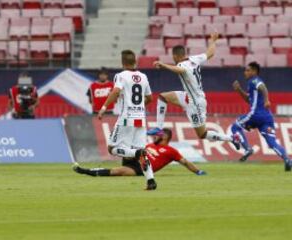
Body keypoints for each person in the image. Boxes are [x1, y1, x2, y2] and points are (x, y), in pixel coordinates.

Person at [147, 32, 241, 150]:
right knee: (162, 97)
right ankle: (159, 129)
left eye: (173, 57)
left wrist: (163, 65)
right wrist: (213, 41)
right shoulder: (194, 59)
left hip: (196, 102)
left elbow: (179, 70)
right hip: (188, 96)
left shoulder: (182, 64)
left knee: (202, 134)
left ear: (175, 56)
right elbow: (210, 53)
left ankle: (233, 138)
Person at [97, 50, 156, 190]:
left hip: (126, 118)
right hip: (140, 118)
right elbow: (150, 98)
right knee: (141, 150)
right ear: (135, 61)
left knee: (112, 149)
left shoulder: (121, 76)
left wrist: (104, 108)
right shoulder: (143, 76)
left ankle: (136, 153)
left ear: (122, 63)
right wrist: (139, 106)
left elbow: (116, 91)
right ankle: (151, 181)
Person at [231, 62, 292, 171]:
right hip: (267, 118)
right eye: (245, 70)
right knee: (272, 142)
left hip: (255, 115)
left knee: (235, 126)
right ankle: (287, 160)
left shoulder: (254, 80)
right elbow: (249, 100)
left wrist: (267, 100)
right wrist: (239, 89)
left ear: (254, 71)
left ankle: (247, 149)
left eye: (248, 70)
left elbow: (263, 87)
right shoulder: (251, 84)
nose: (245, 72)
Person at [73, 128, 207, 177]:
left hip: (141, 169)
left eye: (159, 135)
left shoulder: (171, 151)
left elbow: (184, 162)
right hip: (135, 157)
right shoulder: (148, 145)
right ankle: (116, 140)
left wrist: (197, 171)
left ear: (165, 137)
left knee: (116, 172)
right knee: (130, 145)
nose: (156, 136)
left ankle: (85, 171)